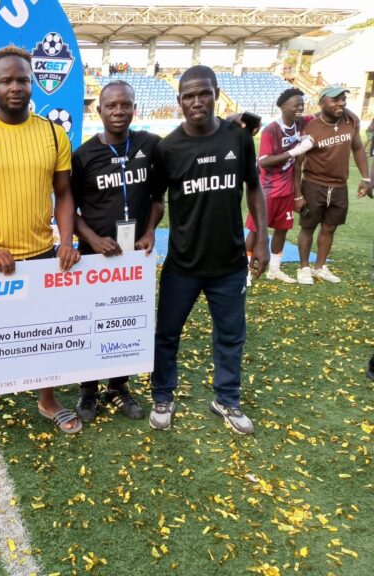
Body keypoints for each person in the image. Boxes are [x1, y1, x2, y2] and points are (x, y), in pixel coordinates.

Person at [0, 45, 82, 437]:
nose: (15, 87)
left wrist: (66, 239)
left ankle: (47, 400)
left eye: (23, 80)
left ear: (33, 83)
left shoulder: (53, 134)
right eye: (6, 80)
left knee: (45, 332)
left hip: (43, 255)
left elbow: (64, 193)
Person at [149, 65, 268, 435]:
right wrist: (148, 231)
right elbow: (156, 199)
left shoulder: (238, 137)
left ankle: (227, 399)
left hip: (230, 264)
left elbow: (254, 187)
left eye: (204, 93)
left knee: (231, 336)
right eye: (189, 96)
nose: (197, 101)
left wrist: (262, 239)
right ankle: (163, 395)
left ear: (217, 94)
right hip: (182, 264)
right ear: (179, 101)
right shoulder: (168, 148)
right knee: (166, 334)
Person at [70, 80, 163, 423]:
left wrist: (150, 231)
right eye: (111, 105)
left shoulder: (150, 145)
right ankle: (88, 390)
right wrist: (94, 240)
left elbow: (158, 200)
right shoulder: (84, 156)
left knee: (126, 323)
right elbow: (68, 211)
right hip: (95, 257)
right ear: (99, 110)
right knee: (91, 321)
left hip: (133, 259)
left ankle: (119, 386)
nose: (119, 111)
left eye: (125, 105)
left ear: (135, 108)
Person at [293, 86, 372, 284]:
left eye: (343, 99)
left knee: (330, 227)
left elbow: (358, 148)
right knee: (308, 227)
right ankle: (304, 268)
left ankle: (320, 267)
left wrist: (366, 178)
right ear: (321, 103)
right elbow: (297, 163)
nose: (341, 103)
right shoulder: (309, 126)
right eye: (335, 100)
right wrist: (297, 194)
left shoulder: (350, 121)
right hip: (313, 184)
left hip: (339, 186)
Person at [244, 88, 315, 284]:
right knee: (256, 230)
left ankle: (274, 269)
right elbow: (264, 161)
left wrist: (347, 111)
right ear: (284, 107)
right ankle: (245, 270)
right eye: (296, 105)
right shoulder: (271, 130)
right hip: (267, 190)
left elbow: (321, 114)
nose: (300, 108)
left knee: (282, 229)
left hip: (287, 189)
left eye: (302, 105)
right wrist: (295, 151)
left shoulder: (301, 122)